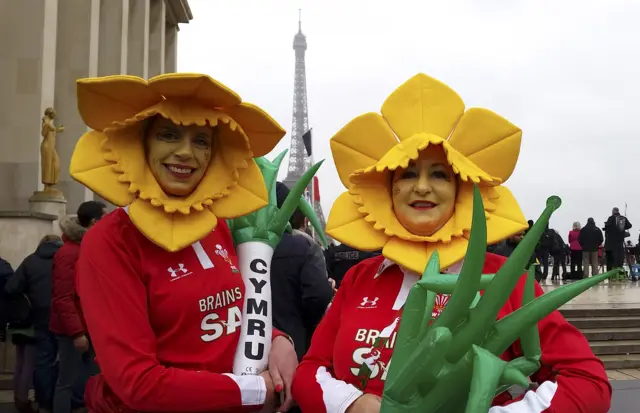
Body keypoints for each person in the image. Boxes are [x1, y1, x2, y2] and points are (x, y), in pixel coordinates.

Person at [292, 73, 611, 412]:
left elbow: (587, 381)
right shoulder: (360, 278)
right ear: (387, 191)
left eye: (440, 174)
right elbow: (310, 370)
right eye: (408, 174)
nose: (422, 187)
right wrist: (352, 404)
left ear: (463, 189)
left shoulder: (507, 280)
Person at [69, 73, 298, 413]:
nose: (185, 152)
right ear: (142, 142)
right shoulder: (111, 241)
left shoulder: (216, 225)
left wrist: (279, 340)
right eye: (169, 135)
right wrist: (253, 390)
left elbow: (231, 315)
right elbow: (137, 382)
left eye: (202, 141)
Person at [50, 201, 106, 413]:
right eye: (104, 217)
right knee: (66, 381)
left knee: (94, 379)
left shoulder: (92, 247)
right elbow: (63, 297)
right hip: (73, 331)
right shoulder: (69, 253)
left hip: (90, 327)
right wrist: (77, 333)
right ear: (94, 222)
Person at [271, 182, 333, 361]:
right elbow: (318, 295)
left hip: (247, 345)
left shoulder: (238, 246)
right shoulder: (304, 247)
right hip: (293, 340)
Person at [5, 234, 62, 413]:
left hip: (38, 318)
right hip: (65, 317)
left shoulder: (31, 261)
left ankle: (42, 403)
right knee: (65, 362)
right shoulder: (67, 258)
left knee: (41, 362)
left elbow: (11, 288)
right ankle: (61, 402)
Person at [604, 207, 632, 271]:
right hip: (621, 239)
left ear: (613, 211)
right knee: (620, 253)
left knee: (614, 254)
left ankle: (615, 267)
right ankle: (620, 266)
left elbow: (607, 227)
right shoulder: (623, 218)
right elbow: (630, 225)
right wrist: (623, 227)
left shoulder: (611, 218)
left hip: (612, 240)